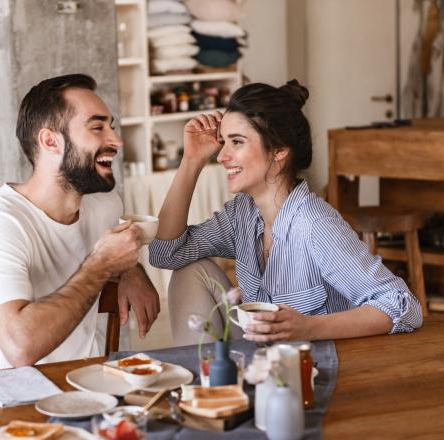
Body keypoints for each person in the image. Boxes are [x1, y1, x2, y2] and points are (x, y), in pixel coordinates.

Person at [149, 80, 423, 346]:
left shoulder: (316, 225)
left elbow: (404, 306)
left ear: (279, 150)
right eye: (223, 142)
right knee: (190, 270)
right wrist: (191, 160)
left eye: (237, 142)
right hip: (264, 364)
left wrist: (309, 328)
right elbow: (165, 254)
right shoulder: (241, 215)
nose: (221, 156)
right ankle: (209, 391)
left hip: (317, 370)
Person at [0, 74, 160, 372]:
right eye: (97, 127)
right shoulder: (0, 224)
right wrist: (101, 266)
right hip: (13, 398)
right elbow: (20, 346)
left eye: (112, 126)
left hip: (85, 385)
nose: (116, 141)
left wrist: (132, 271)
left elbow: (116, 256)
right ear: (50, 141)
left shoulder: (106, 206)